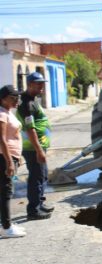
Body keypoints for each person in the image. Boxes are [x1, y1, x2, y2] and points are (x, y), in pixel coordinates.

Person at [16, 72, 54, 220]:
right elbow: (30, 129)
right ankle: (33, 210)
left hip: (36, 146)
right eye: (39, 84)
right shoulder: (27, 104)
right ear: (30, 85)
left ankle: (39, 203)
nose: (42, 86)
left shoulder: (32, 100)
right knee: (36, 178)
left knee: (42, 175)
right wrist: (39, 150)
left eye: (42, 83)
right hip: (32, 148)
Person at [0, 85, 26, 238]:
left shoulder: (7, 112)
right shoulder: (2, 114)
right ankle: (6, 227)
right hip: (4, 157)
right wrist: (9, 161)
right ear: (3, 99)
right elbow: (2, 138)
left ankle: (5, 223)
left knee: (4, 190)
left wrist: (18, 156)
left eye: (18, 97)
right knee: (6, 191)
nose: (17, 100)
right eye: (13, 97)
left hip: (10, 155)